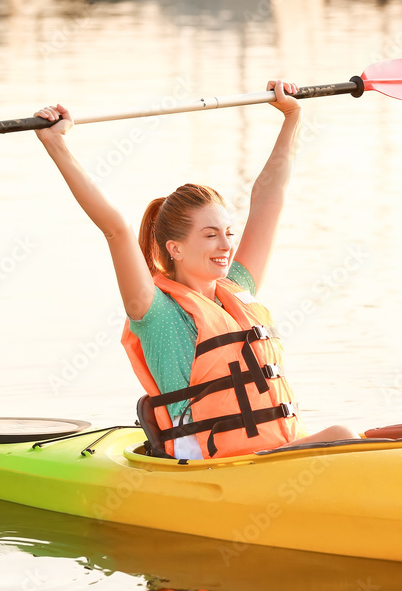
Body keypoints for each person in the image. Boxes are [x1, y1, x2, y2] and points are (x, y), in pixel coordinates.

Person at [34, 80, 357, 459]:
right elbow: (115, 228)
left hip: (269, 460)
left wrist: (292, 116)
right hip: (209, 466)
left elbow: (270, 198)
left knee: (383, 434)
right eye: (210, 235)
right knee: (343, 433)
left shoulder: (235, 289)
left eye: (228, 233)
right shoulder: (154, 311)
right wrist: (56, 144)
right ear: (176, 248)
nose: (226, 245)